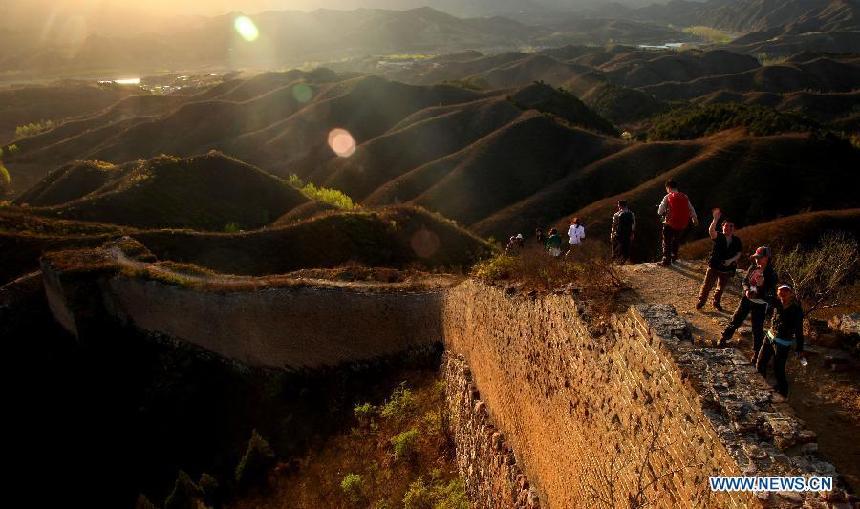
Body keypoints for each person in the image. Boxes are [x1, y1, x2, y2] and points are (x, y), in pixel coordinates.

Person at [718, 246, 777, 365]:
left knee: (757, 328)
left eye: (760, 258)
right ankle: (725, 337)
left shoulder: (771, 274)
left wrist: (761, 288)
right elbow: (745, 281)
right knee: (736, 319)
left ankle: (756, 352)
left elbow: (771, 292)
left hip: (760, 304)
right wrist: (746, 291)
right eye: (756, 258)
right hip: (746, 299)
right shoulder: (753, 267)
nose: (757, 260)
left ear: (767, 258)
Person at [757, 284, 806, 397]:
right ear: (777, 292)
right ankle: (760, 387)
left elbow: (799, 330)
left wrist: (800, 348)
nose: (783, 292)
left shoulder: (796, 310)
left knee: (778, 370)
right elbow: (761, 295)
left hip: (783, 343)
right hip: (769, 337)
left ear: (791, 293)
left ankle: (783, 394)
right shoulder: (776, 302)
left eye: (786, 290)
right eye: (780, 290)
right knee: (760, 363)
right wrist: (758, 284)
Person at [696, 208, 742, 311]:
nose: (728, 228)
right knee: (707, 286)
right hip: (714, 266)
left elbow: (739, 253)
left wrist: (731, 261)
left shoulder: (737, 240)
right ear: (722, 227)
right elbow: (711, 231)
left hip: (727, 268)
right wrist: (715, 219)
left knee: (721, 288)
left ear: (734, 228)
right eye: (726, 225)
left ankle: (716, 302)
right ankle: (701, 301)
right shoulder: (719, 236)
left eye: (731, 226)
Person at [657, 180, 698, 266]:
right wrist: (694, 218)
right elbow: (691, 208)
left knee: (666, 241)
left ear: (668, 188)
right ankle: (674, 257)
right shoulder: (684, 196)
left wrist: (662, 211)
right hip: (681, 224)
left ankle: (666, 260)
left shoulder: (667, 196)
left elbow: (660, 212)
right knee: (676, 240)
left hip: (670, 223)